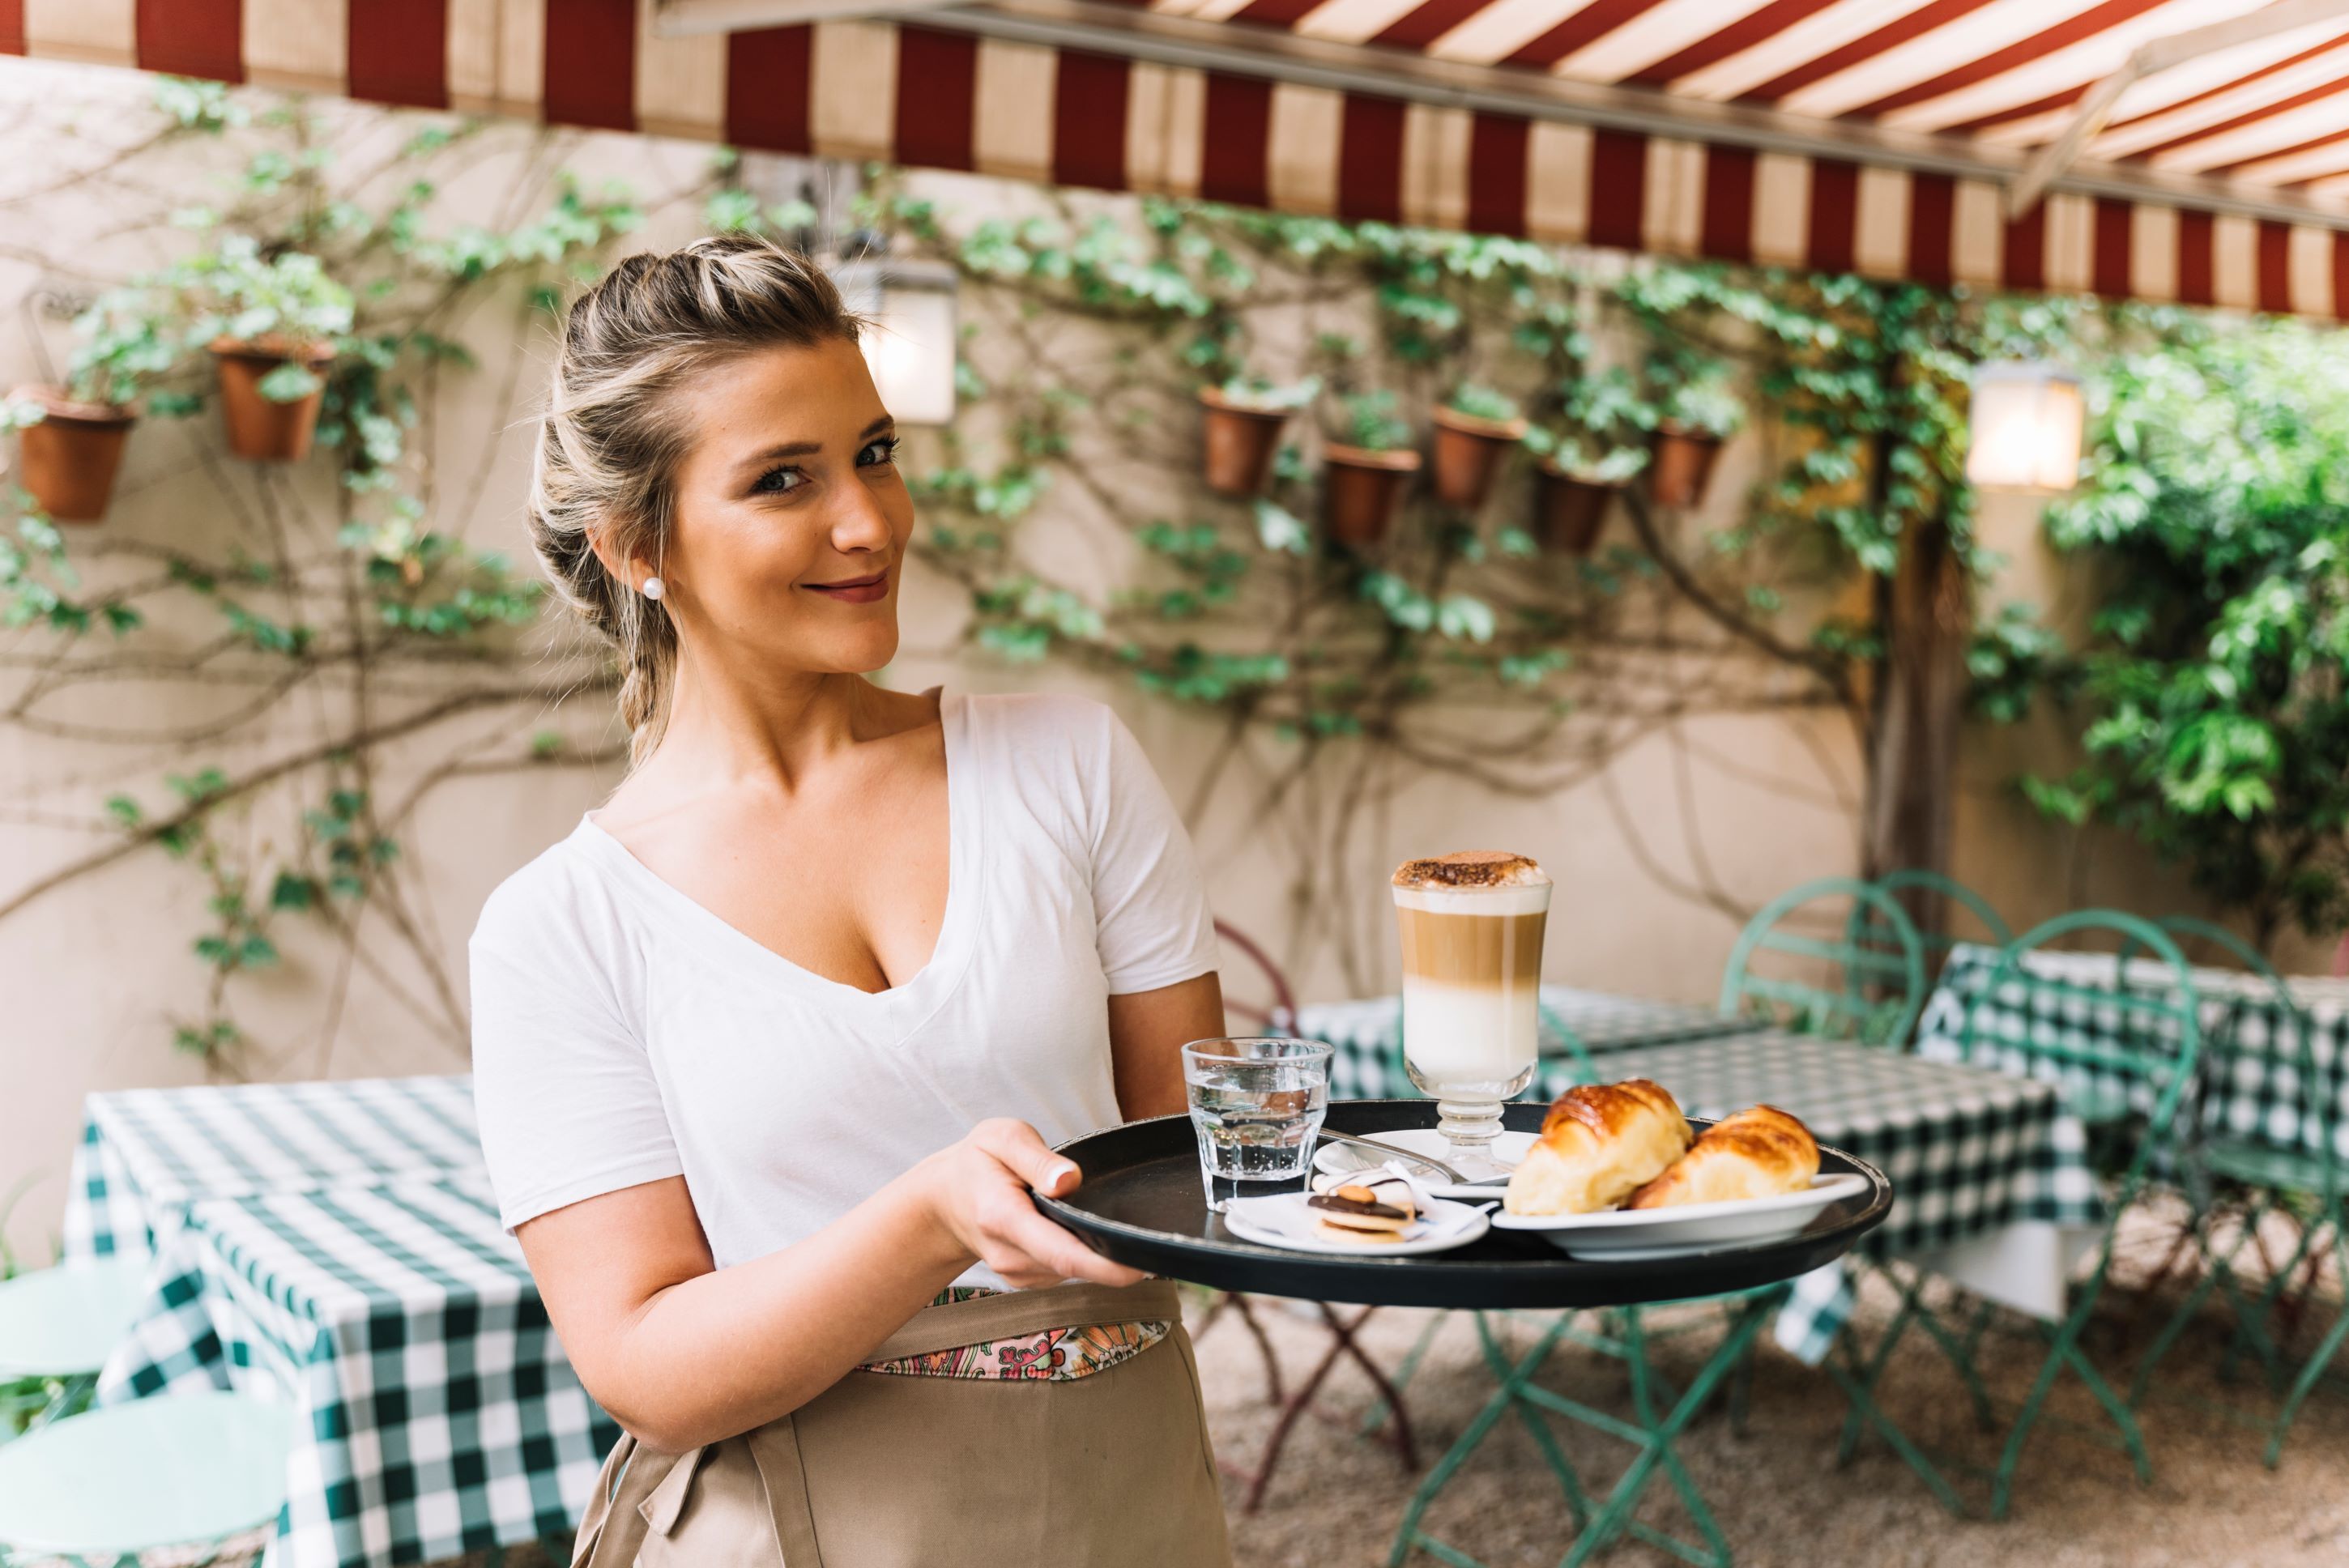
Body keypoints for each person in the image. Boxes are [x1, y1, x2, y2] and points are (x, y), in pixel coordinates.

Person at [469, 233, 1234, 1566]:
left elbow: (1199, 1175)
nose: (869, 523)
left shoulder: (1070, 767)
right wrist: (927, 1218)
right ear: (634, 544)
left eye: (874, 452)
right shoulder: (563, 928)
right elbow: (643, 1357)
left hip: (1124, 1500)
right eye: (784, 480)